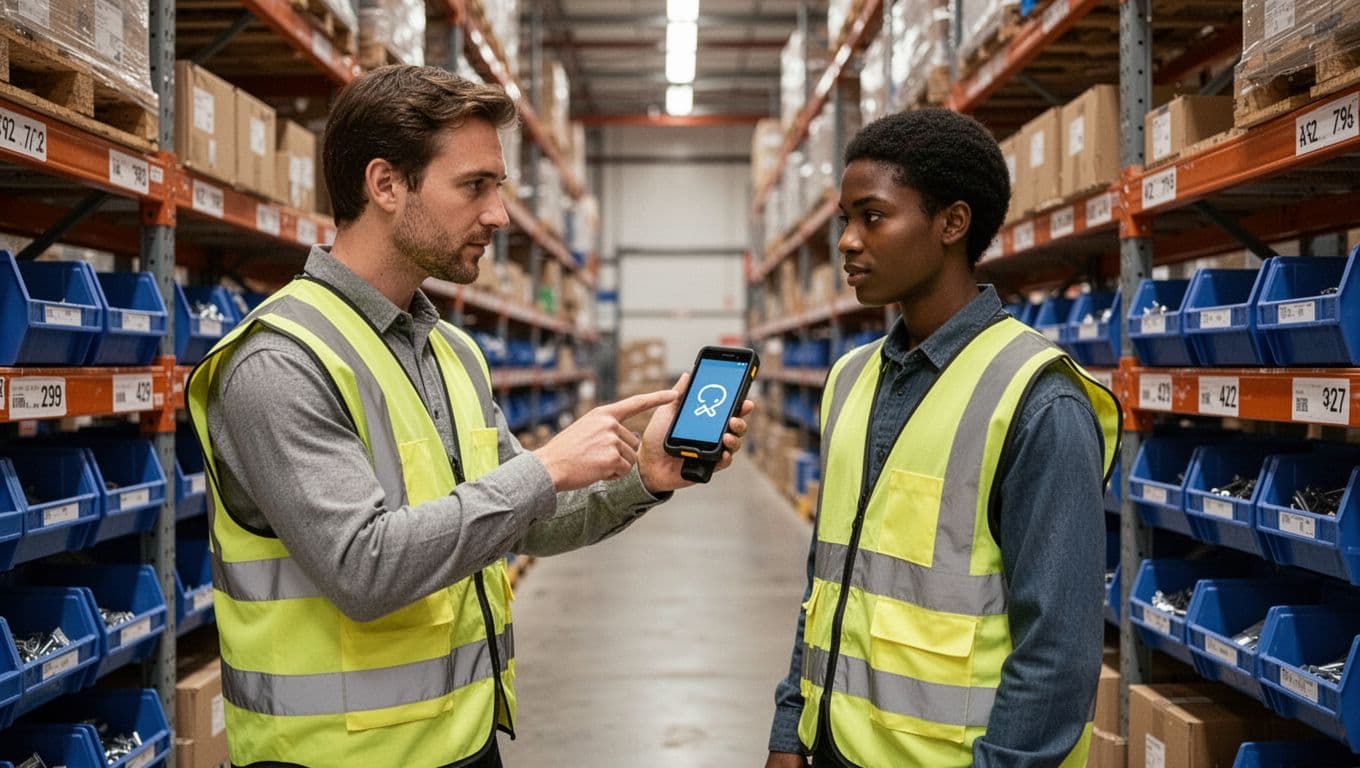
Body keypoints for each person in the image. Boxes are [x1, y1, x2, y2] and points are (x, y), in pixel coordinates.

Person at [186, 65, 753, 768]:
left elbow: (530, 519)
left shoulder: (451, 351)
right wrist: (545, 466)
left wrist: (646, 476)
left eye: (499, 188)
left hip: (464, 742)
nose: (498, 215)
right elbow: (364, 570)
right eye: (474, 186)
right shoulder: (280, 361)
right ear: (386, 185)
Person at [764, 108, 1120, 768]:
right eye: (845, 219)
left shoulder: (1038, 398)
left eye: (872, 216)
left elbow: (1059, 645)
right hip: (834, 747)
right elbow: (828, 583)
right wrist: (791, 727)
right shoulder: (848, 380)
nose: (847, 240)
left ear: (951, 224)